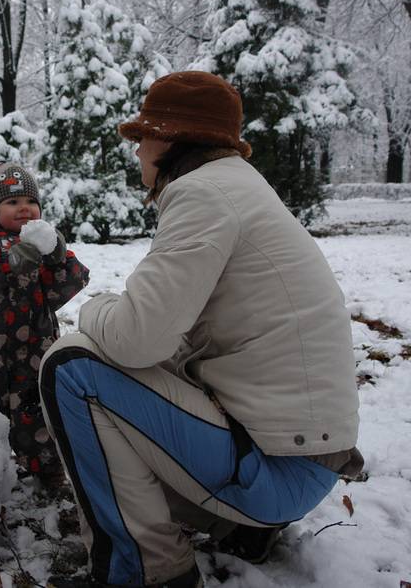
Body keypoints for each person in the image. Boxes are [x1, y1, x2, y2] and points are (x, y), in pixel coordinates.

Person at [40, 72, 363, 588]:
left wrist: (94, 306)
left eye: (143, 136)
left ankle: (148, 570)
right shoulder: (238, 188)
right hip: (302, 460)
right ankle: (237, 526)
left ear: (170, 137)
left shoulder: (203, 195)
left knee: (72, 365)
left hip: (276, 471)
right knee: (137, 381)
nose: (138, 150)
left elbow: (135, 338)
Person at [0, 162, 90, 491]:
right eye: (12, 202)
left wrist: (58, 256)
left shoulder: (45, 246)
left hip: (36, 346)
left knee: (39, 407)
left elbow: (68, 286)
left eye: (30, 201)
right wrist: (9, 257)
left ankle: (47, 469)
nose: (24, 209)